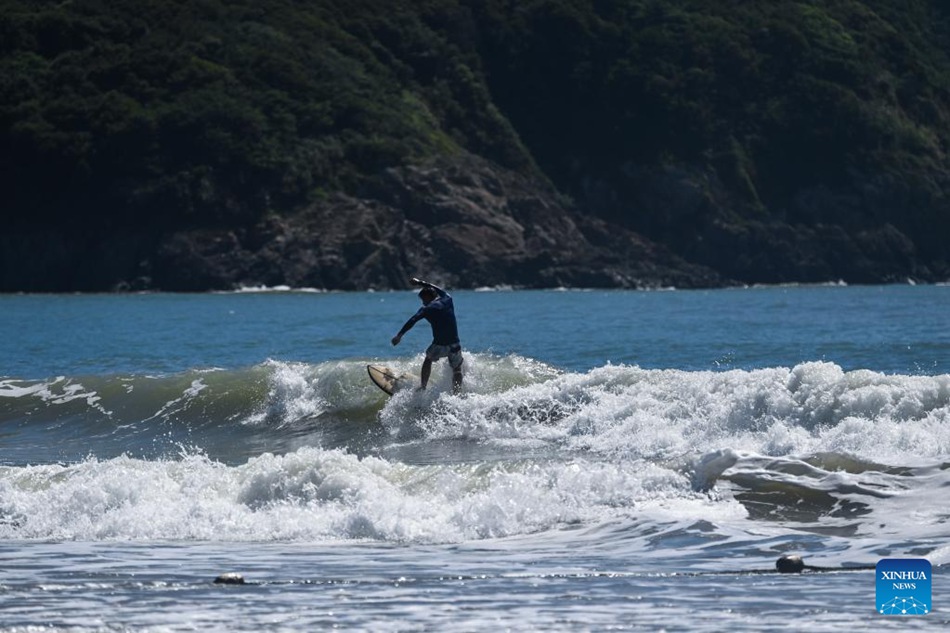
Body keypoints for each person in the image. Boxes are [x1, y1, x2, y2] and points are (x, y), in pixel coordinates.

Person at [391, 277, 463, 393]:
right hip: (455, 343)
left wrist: (399, 335)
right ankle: (457, 393)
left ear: (428, 297)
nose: (423, 302)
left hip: (440, 344)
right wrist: (420, 283)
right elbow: (436, 288)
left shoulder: (426, 309)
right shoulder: (447, 299)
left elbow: (412, 320)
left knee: (428, 359)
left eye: (423, 300)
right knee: (457, 368)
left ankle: (423, 387)